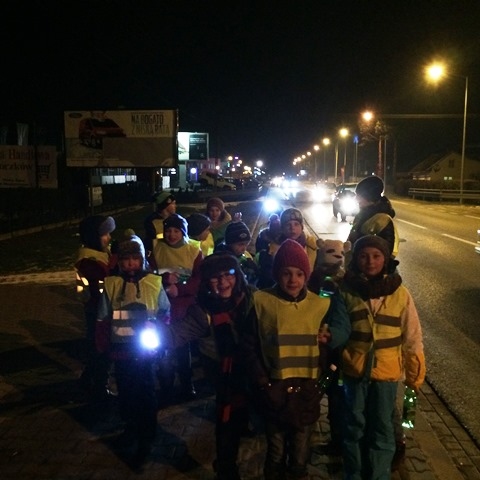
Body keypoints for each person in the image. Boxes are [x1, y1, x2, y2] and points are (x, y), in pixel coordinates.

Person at [320, 235, 426, 480]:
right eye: (364, 256)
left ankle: (379, 474)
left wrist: (414, 377)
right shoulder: (346, 291)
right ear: (355, 259)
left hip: (387, 375)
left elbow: (412, 336)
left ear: (386, 259)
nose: (370, 261)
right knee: (353, 426)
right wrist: (331, 336)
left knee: (382, 428)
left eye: (376, 256)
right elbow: (340, 325)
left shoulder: (401, 294)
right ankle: (354, 474)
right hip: (354, 371)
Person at [242, 239, 349, 480]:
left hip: (306, 394)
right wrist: (263, 383)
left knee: (301, 453)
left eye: (299, 274)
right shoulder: (262, 301)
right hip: (274, 392)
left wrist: (319, 388)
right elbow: (249, 346)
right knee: (276, 452)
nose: (293, 280)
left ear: (306, 276)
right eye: (286, 273)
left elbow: (329, 357)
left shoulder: (320, 305)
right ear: (277, 274)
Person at [159, 252, 256, 480]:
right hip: (223, 373)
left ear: (237, 274)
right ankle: (226, 467)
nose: (223, 282)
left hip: (253, 369)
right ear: (206, 282)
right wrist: (154, 335)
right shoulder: (203, 311)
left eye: (228, 274)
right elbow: (178, 333)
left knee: (248, 412)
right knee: (227, 420)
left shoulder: (253, 299)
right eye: (215, 277)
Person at [95, 231, 170, 466]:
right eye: (126, 259)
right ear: (119, 261)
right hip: (121, 350)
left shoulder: (153, 282)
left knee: (145, 391)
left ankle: (148, 432)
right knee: (126, 391)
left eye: (135, 259)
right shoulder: (112, 284)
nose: (130, 264)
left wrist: (160, 334)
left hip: (145, 351)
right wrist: (102, 345)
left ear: (142, 260)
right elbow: (103, 317)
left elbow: (164, 312)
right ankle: (130, 426)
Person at [152, 213, 203, 403]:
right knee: (164, 348)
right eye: (168, 231)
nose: (171, 235)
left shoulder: (194, 251)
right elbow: (151, 273)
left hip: (184, 307)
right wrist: (164, 279)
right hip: (163, 307)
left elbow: (199, 279)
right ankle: (166, 385)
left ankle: (187, 384)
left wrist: (180, 289)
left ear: (183, 232)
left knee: (182, 349)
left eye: (176, 231)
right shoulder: (157, 249)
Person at [75, 215, 118, 403]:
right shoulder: (89, 260)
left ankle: (87, 380)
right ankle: (100, 387)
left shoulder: (99, 254)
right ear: (93, 237)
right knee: (101, 348)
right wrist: (115, 261)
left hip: (100, 308)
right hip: (98, 310)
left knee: (97, 347)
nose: (109, 238)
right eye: (105, 234)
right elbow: (104, 283)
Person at [256, 208, 318, 289]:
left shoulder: (311, 247)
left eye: (296, 224)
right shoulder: (273, 250)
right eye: (288, 225)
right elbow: (267, 276)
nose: (292, 228)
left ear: (302, 227)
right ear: (282, 228)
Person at [347, 175, 399, 266]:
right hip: (357, 266)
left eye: (359, 195)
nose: (356, 199)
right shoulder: (361, 215)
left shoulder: (383, 219)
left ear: (369, 197)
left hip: (370, 269)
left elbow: (387, 251)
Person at [215, 221, 259, 286]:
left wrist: (253, 270)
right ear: (229, 243)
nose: (244, 248)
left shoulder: (244, 257)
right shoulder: (220, 260)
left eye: (246, 244)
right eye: (240, 244)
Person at [143, 190, 176, 260]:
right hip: (159, 258)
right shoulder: (151, 221)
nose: (175, 206)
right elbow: (150, 243)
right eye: (173, 204)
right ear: (165, 205)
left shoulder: (177, 220)